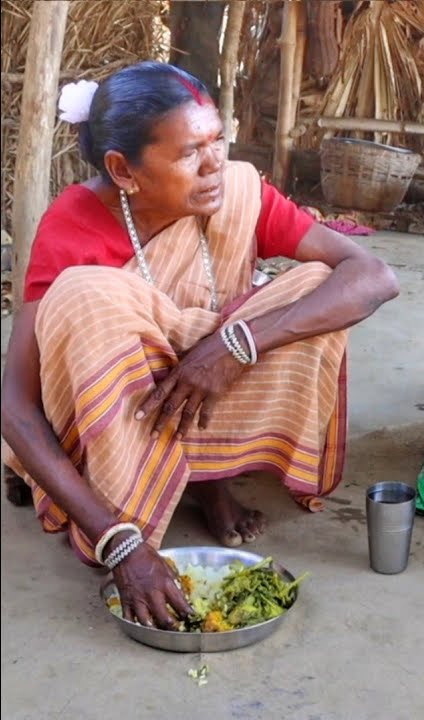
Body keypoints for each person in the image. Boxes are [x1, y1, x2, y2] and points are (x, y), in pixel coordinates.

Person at [0, 63, 399, 629]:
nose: (215, 165)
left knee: (317, 290)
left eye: (218, 140)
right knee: (86, 294)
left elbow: (374, 276)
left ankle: (209, 478)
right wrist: (119, 543)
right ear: (123, 169)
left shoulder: (235, 192)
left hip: (199, 386)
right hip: (107, 414)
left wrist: (238, 344)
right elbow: (14, 406)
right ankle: (109, 497)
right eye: (190, 152)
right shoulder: (72, 227)